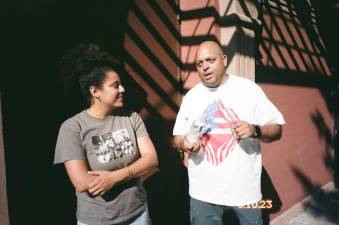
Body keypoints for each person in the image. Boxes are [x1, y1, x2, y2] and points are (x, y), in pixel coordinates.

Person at [173, 41, 285, 225]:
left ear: (224, 60)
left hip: (244, 195)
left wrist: (256, 130)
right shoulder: (191, 97)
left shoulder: (248, 89)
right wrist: (184, 143)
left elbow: (277, 128)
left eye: (210, 60)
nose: (205, 67)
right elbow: (177, 137)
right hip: (203, 196)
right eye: (199, 64)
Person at [54, 44, 158, 225]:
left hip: (137, 214)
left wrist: (115, 177)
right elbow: (82, 182)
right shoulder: (72, 128)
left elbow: (151, 158)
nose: (122, 90)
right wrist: (133, 170)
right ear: (95, 92)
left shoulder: (131, 117)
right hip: (97, 220)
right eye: (115, 86)